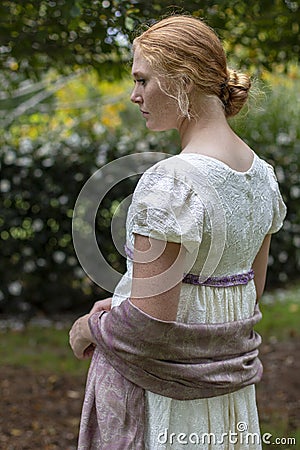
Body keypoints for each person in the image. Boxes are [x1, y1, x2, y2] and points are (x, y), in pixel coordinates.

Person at [69, 15, 286, 450]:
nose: (135, 96)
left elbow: (151, 326)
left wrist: (90, 328)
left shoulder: (171, 181)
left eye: (143, 80)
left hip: (166, 405)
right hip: (227, 401)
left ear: (182, 80)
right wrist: (129, 299)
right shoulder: (261, 177)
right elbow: (245, 292)